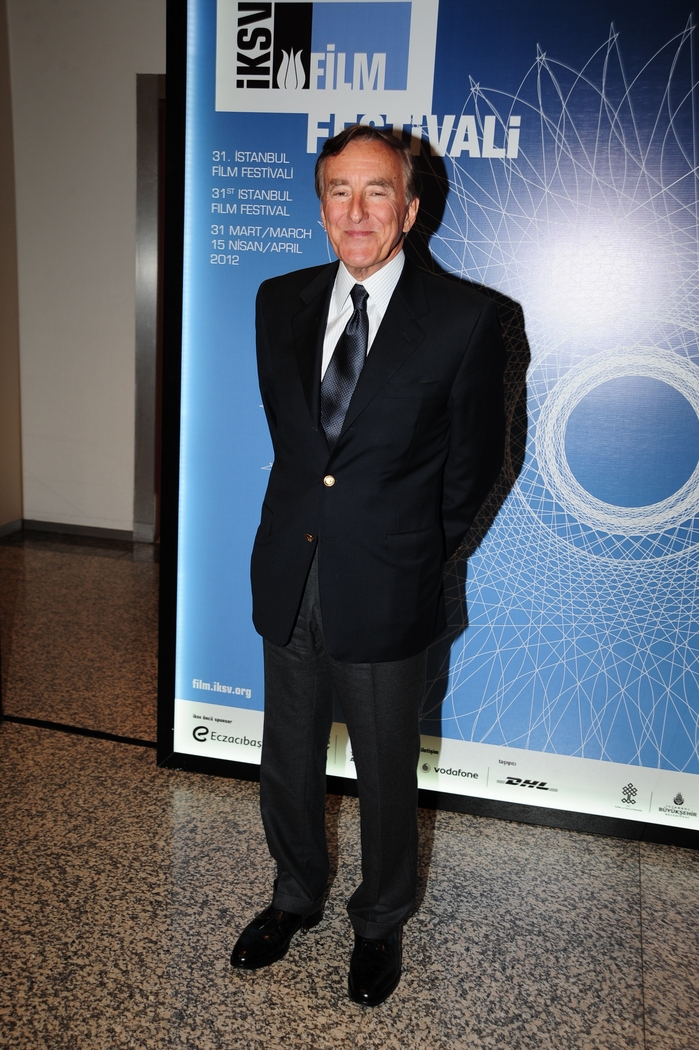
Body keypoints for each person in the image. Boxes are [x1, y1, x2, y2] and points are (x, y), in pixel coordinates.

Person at [230, 124, 506, 1006]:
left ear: (410, 209)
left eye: (376, 190)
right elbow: (297, 444)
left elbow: (475, 466)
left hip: (390, 583)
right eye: (337, 191)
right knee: (287, 755)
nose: (355, 211)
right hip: (289, 571)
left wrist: (414, 551)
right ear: (320, 207)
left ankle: (379, 919)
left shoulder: (467, 319)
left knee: (386, 771)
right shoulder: (277, 299)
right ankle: (293, 895)